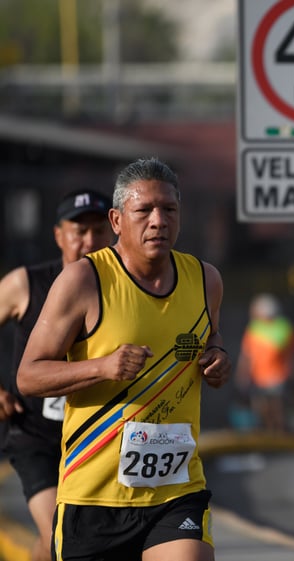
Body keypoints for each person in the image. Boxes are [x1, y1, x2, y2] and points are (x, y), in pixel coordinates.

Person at [17, 157, 231, 561]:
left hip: (176, 491)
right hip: (94, 499)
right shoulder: (83, 280)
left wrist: (217, 354)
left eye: (169, 209)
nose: (158, 221)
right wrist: (102, 366)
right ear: (116, 220)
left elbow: (210, 334)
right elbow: (29, 375)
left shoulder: (205, 280)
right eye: (144, 210)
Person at [0, 188, 113, 561]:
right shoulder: (25, 284)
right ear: (58, 235)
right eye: (78, 231)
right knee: (58, 530)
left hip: (95, 435)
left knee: (63, 540)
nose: (89, 241)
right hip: (33, 433)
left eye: (98, 231)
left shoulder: (125, 288)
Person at [235, 293, 294, 433]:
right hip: (259, 378)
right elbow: (247, 355)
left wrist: (293, 373)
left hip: (278, 377)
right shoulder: (254, 329)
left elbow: (291, 355)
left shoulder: (284, 328)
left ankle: (279, 435)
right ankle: (270, 436)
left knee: (277, 408)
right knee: (262, 409)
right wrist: (243, 374)